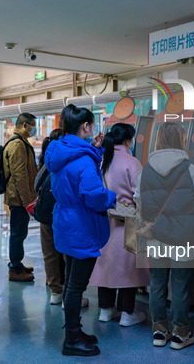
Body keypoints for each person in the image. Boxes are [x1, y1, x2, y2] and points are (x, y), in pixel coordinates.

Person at [45, 104, 117, 357]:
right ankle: (72, 339)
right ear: (86, 126)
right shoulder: (84, 159)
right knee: (77, 286)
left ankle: (73, 330)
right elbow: (93, 195)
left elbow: (73, 176)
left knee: (71, 283)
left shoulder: (60, 150)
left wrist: (93, 149)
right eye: (92, 125)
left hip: (65, 221)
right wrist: (112, 197)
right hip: (82, 226)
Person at [135, 122, 194, 349]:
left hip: (156, 236)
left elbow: (139, 200)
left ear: (159, 140)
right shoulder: (190, 169)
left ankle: (159, 332)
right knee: (180, 285)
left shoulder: (146, 169)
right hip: (183, 236)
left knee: (157, 284)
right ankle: (180, 334)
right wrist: (186, 215)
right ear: (181, 140)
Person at [89, 123, 150, 327]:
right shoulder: (131, 162)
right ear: (127, 141)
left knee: (105, 265)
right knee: (127, 267)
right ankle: (127, 314)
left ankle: (106, 311)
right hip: (127, 223)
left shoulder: (102, 161)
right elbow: (140, 193)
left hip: (104, 222)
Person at [3, 113, 38, 282]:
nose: (34, 128)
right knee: (17, 233)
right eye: (32, 125)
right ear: (24, 125)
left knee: (20, 232)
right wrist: (27, 201)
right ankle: (15, 268)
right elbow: (20, 175)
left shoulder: (22, 143)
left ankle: (17, 263)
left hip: (20, 197)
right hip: (18, 198)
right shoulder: (17, 144)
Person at [34, 128, 65, 304]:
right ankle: (69, 293)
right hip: (65, 214)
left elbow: (36, 184)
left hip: (46, 213)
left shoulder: (48, 162)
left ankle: (55, 291)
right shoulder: (72, 161)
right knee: (68, 253)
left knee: (49, 253)